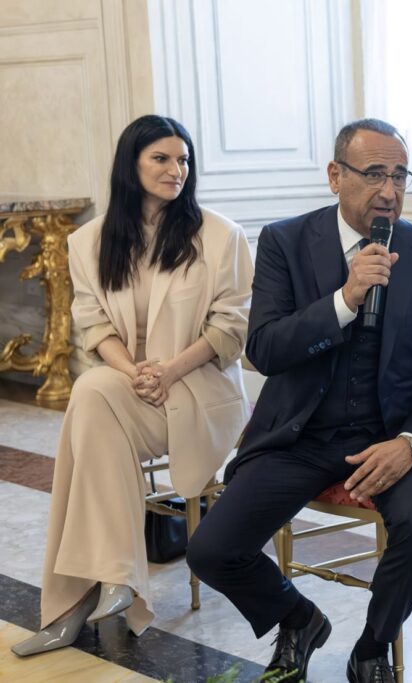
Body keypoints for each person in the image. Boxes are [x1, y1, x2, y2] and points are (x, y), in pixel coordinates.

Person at [186, 118, 412, 683]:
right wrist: (344, 299)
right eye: (374, 174)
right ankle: (297, 618)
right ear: (334, 176)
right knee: (211, 549)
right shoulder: (285, 242)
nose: (389, 191)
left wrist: (411, 444)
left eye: (399, 175)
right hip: (301, 434)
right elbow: (264, 349)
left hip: (394, 436)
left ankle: (371, 647)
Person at [12, 115, 253, 656]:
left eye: (184, 160)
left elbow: (231, 328)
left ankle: (74, 601)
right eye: (162, 159)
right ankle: (115, 580)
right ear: (132, 165)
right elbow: (93, 323)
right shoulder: (89, 241)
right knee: (95, 394)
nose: (177, 171)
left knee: (88, 404)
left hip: (199, 390)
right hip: (130, 385)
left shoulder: (219, 235)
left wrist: (166, 370)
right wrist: (135, 372)